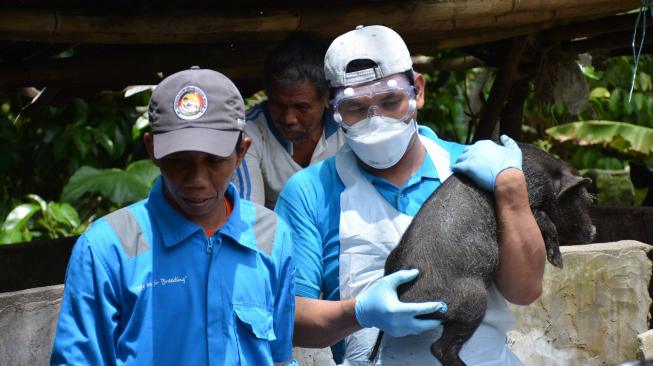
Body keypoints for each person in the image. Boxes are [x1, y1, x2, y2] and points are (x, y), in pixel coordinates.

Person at [274, 25, 546, 365]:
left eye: (390, 102)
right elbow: (291, 320)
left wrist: (511, 190)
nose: (376, 122)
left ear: (417, 91)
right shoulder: (309, 193)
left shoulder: (473, 169)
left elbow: (525, 290)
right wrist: (358, 313)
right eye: (356, 109)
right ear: (334, 110)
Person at [51, 67, 296, 366]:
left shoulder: (271, 235)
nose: (197, 179)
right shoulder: (107, 249)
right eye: (179, 160)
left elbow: (279, 356)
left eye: (214, 160)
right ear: (152, 150)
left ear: (241, 152)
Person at [232, 31, 345, 209]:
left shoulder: (348, 127)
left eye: (301, 107)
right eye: (278, 104)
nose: (288, 118)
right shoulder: (250, 132)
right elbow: (249, 214)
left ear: (327, 98)